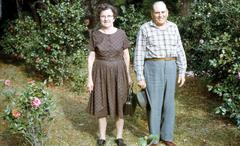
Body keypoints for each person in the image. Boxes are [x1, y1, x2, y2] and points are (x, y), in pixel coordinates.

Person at [134, 1, 187, 146]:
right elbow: (139, 53)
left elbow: (179, 49)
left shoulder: (173, 27)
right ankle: (154, 139)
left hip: (171, 66)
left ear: (167, 13)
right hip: (152, 66)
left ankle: (167, 137)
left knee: (169, 103)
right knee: (154, 104)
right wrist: (140, 76)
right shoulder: (145, 28)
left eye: (163, 12)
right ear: (152, 13)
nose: (160, 15)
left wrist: (182, 71)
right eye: (157, 12)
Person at [86, 3, 131, 146]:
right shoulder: (95, 34)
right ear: (99, 18)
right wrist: (89, 78)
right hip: (100, 73)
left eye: (109, 16)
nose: (106, 19)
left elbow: (126, 55)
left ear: (114, 17)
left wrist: (129, 75)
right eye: (103, 16)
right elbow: (91, 57)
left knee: (120, 103)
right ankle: (102, 137)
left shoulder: (121, 33)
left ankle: (119, 137)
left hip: (119, 72)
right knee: (101, 103)